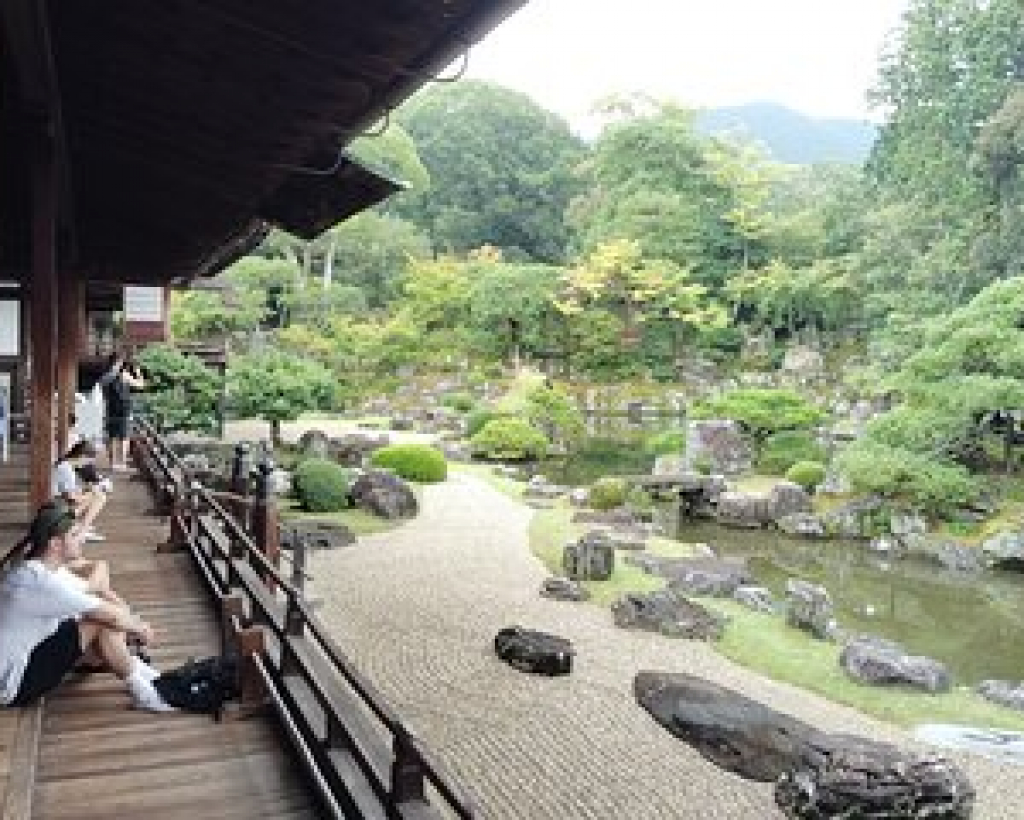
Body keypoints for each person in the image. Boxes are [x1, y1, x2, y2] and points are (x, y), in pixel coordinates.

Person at [0, 502, 173, 710]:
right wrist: (140, 628)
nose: (81, 538)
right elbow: (110, 616)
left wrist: (129, 620)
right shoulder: (40, 581)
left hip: (24, 658)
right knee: (99, 622)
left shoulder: (39, 569)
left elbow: (98, 595)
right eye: (74, 535)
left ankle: (143, 674)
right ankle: (145, 694)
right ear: (55, 544)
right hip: (13, 685)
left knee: (100, 623)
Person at [53, 440, 108, 543]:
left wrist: (87, 490)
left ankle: (81, 529)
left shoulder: (65, 465)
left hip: (57, 506)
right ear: (82, 456)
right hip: (57, 511)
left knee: (97, 494)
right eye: (88, 461)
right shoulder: (66, 470)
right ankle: (81, 532)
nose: (86, 465)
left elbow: (68, 494)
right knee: (100, 497)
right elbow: (72, 498)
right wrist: (92, 493)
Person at [98, 351, 144, 471]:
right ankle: (122, 463)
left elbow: (102, 392)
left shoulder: (105, 377)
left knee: (112, 436)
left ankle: (113, 464)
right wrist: (138, 373)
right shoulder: (123, 375)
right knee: (124, 437)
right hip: (124, 410)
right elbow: (140, 385)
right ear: (118, 362)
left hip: (110, 409)